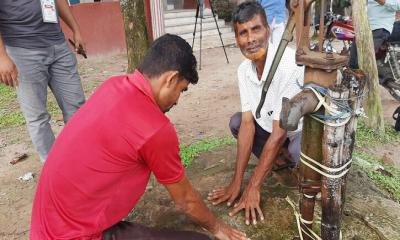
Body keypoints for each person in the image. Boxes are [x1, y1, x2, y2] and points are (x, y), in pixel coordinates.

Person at [30, 34, 248, 240]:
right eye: (182, 90)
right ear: (171, 79)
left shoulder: (112, 85)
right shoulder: (155, 129)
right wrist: (217, 227)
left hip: (45, 227)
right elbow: (186, 201)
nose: (177, 101)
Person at [208, 2, 304, 226]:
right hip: (274, 131)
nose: (250, 39)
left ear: (268, 30)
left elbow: (280, 132)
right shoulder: (244, 70)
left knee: (297, 149)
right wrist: (236, 182)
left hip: (296, 133)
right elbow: (248, 125)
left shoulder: (289, 65)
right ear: (236, 38)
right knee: (237, 122)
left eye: (256, 29)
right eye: (243, 33)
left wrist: (253, 187)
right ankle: (280, 162)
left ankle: (307, 173)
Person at [0, 0, 86, 162]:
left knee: (77, 108)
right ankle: (54, 169)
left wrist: (76, 29)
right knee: (37, 117)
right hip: (22, 51)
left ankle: (80, 160)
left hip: (58, 45)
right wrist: (1, 56)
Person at [349, 0, 400, 69]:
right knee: (353, 62)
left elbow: (397, 5)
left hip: (379, 27)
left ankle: (371, 78)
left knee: (365, 61)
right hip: (364, 27)